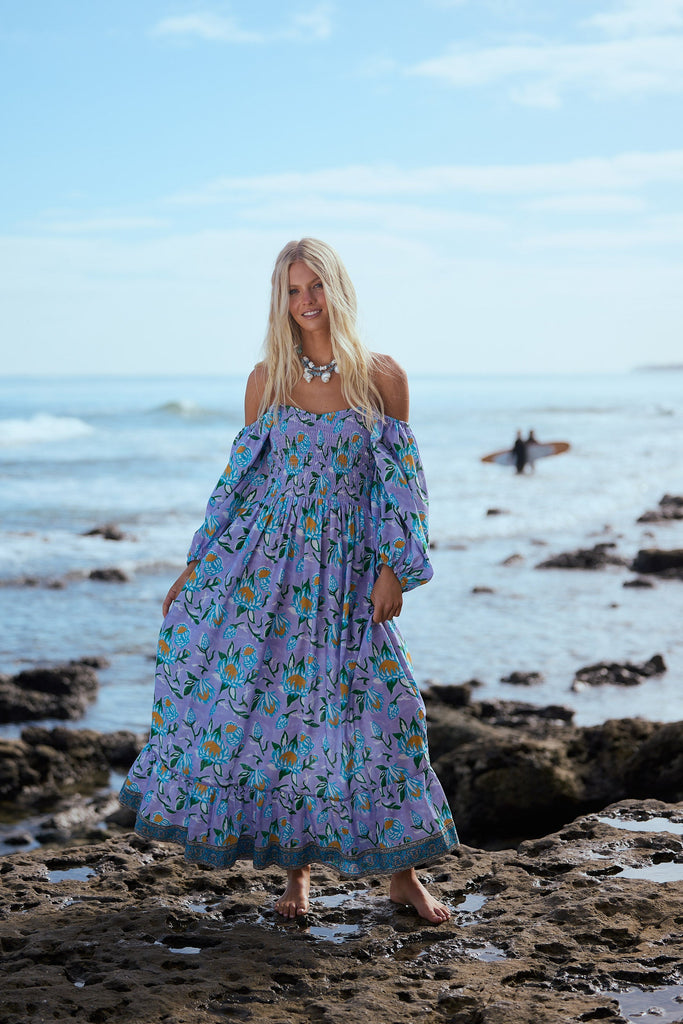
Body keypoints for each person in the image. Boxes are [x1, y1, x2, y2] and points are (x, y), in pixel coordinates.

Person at [119, 238, 458, 925]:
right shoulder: (265, 378)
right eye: (292, 291)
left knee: (389, 714)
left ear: (337, 289)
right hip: (263, 576)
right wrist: (196, 566)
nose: (305, 302)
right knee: (282, 723)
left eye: (315, 287)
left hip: (347, 577)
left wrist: (393, 569)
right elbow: (239, 488)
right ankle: (295, 881)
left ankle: (401, 877)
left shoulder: (381, 377)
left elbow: (402, 489)